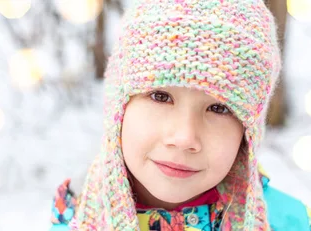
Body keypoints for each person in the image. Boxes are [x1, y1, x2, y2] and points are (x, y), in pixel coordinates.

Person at [49, 0, 311, 230]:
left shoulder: (287, 222)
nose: (184, 137)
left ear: (248, 133)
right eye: (161, 96)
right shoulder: (74, 217)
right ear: (119, 107)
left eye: (219, 108)